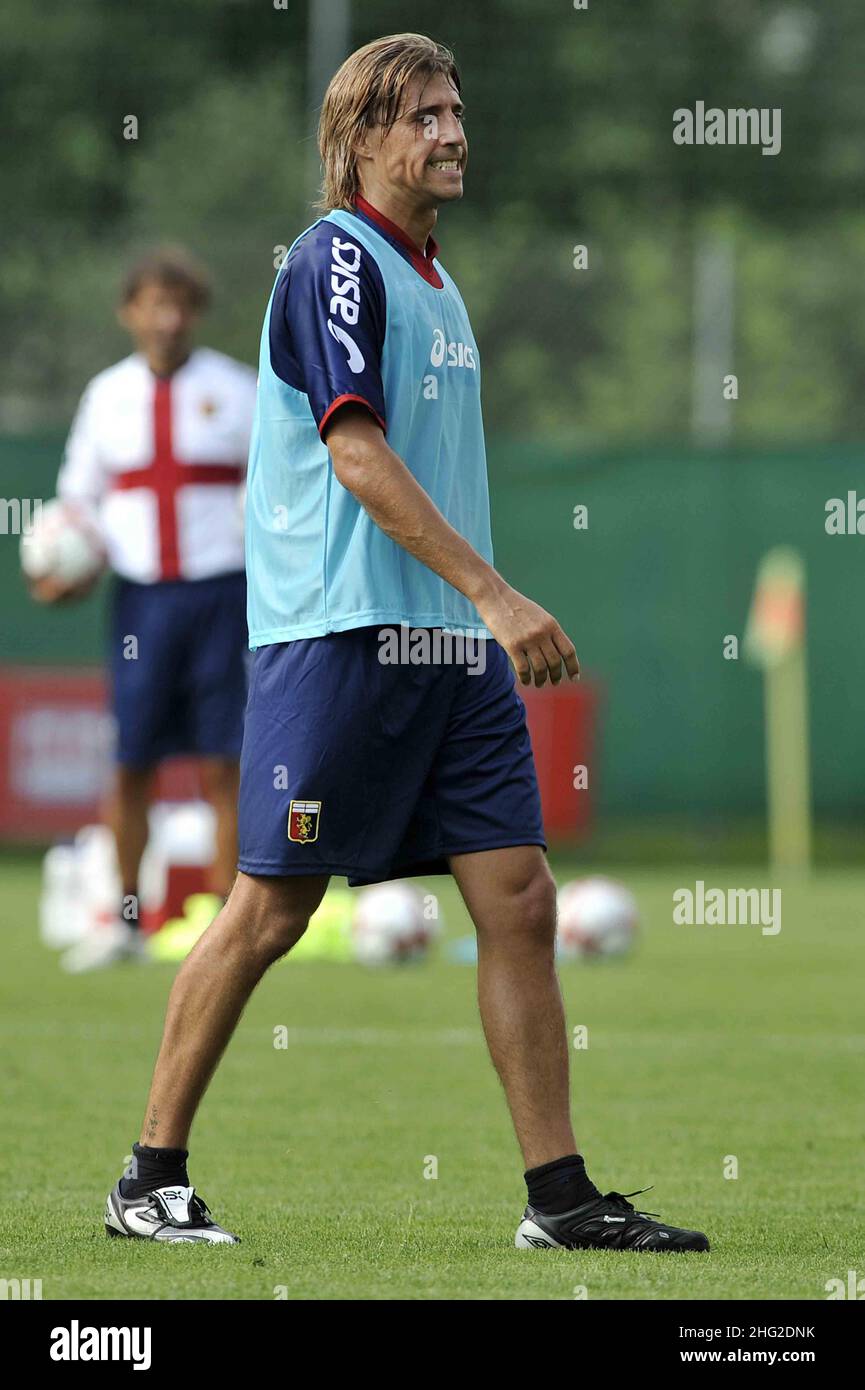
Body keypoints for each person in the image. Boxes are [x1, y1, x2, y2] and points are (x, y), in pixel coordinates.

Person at [104, 35, 709, 1254]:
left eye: (456, 109)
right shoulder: (337, 259)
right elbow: (355, 454)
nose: (452, 131)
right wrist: (496, 594)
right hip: (340, 636)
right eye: (424, 114)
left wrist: (473, 618)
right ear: (361, 138)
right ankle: (148, 1178)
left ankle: (559, 1198)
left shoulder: (435, 278)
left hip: (449, 654)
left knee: (520, 897)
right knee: (271, 909)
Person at [35, 247, 257, 972]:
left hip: (225, 594)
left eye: (181, 305)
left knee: (228, 764)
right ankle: (127, 919)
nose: (168, 319)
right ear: (128, 312)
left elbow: (274, 495)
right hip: (141, 602)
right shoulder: (106, 397)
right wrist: (62, 569)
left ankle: (224, 931)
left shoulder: (238, 389)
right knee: (131, 764)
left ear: (196, 313)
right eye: (154, 304)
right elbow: (79, 506)